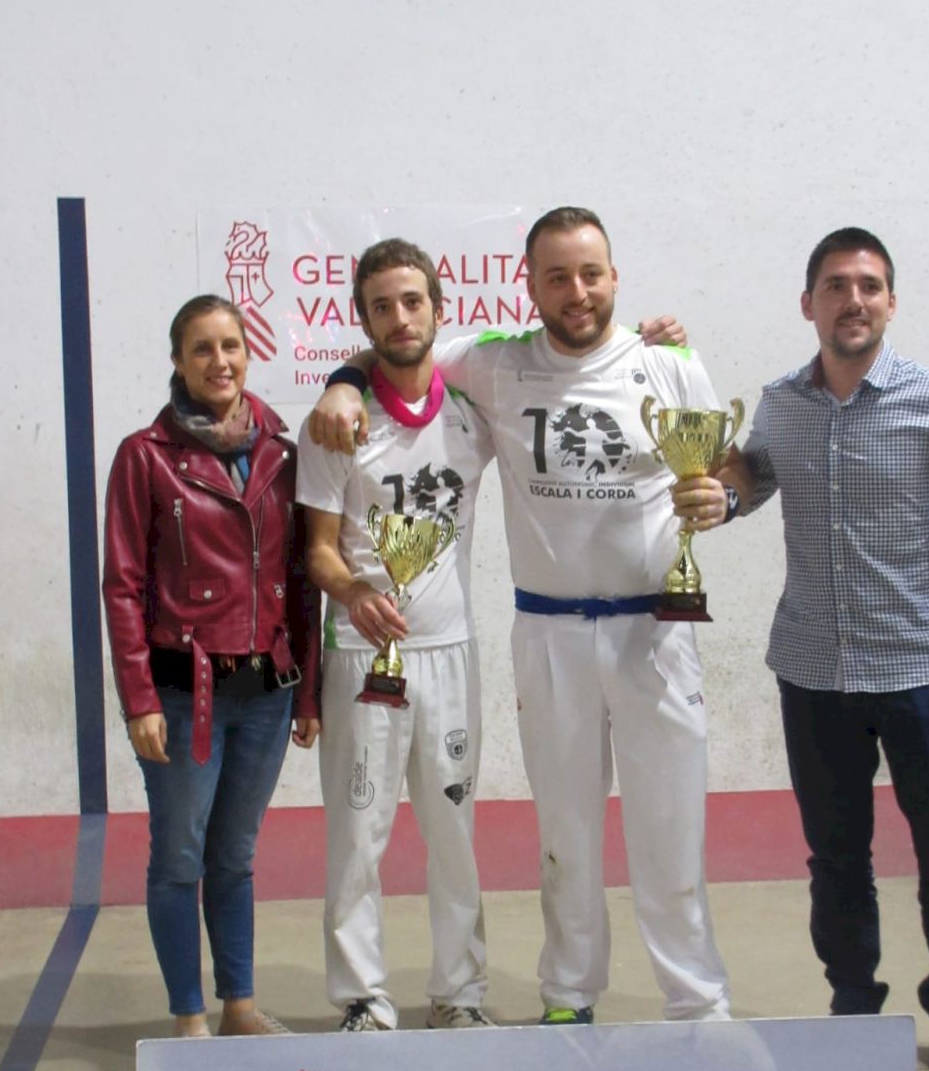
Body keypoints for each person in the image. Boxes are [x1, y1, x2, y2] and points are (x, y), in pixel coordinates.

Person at [310, 208, 729, 1026]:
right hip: (550, 636)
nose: (578, 292)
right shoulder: (495, 363)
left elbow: (722, 464)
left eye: (592, 274)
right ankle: (569, 994)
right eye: (558, 277)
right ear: (529, 286)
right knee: (565, 835)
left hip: (656, 633)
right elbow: (398, 350)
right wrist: (342, 382)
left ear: (615, 276)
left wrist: (725, 497)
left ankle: (698, 1003)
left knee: (670, 829)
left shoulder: (669, 364)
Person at [676, 227, 929, 1071]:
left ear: (890, 302)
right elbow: (755, 473)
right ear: (809, 304)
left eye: (869, 285)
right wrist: (723, 495)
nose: (853, 299)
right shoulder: (782, 402)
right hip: (813, 673)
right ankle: (853, 1011)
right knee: (836, 861)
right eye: (836, 285)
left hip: (926, 675)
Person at [103, 295, 321, 1037]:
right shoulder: (144, 457)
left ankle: (239, 1006)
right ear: (177, 361)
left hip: (267, 696)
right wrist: (139, 698)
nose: (219, 361)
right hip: (180, 694)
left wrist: (308, 693)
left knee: (235, 856)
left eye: (230, 346)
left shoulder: (282, 455)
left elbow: (302, 583)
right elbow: (122, 585)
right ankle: (188, 1015)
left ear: (248, 354)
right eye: (202, 348)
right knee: (179, 857)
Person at [296, 239, 495, 1033]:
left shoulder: (474, 413)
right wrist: (354, 593)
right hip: (360, 657)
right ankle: (362, 999)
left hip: (450, 655)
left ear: (439, 310)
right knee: (357, 837)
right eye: (382, 306)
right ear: (363, 319)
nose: (400, 317)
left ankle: (460, 994)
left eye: (413, 301)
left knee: (455, 835)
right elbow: (316, 550)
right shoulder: (334, 425)